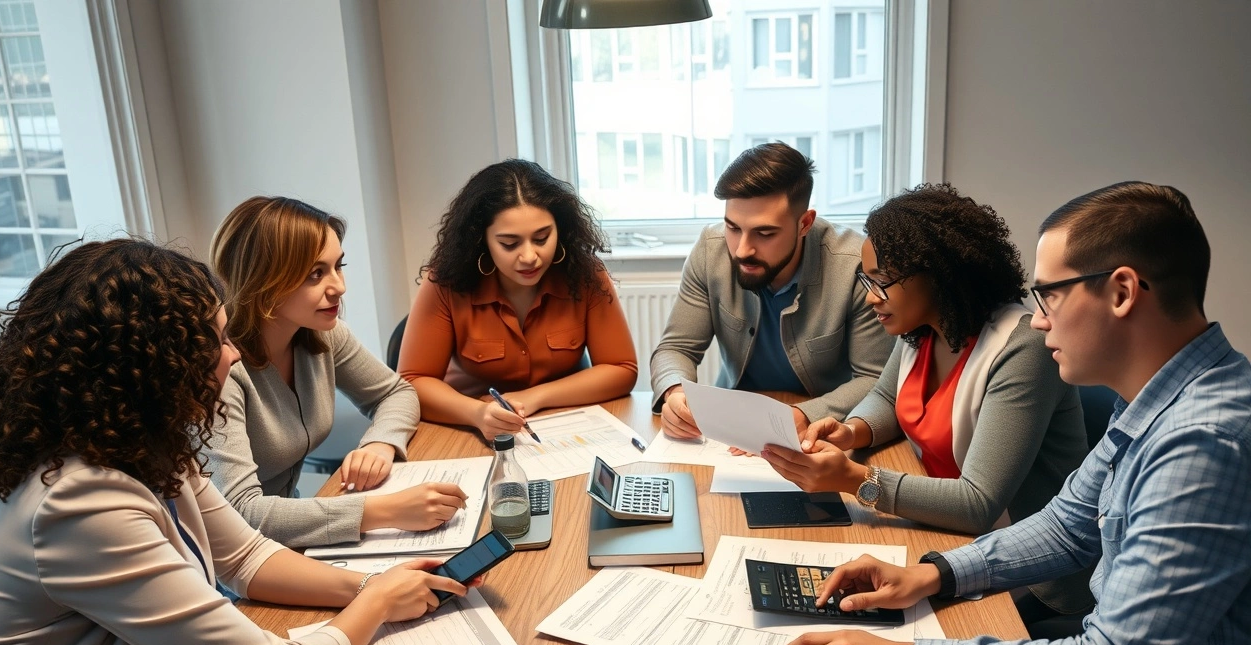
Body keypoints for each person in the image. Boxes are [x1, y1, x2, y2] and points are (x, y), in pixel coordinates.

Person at [775, 182, 1251, 645]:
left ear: (1121, 293)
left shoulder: (1203, 444)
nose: (1040, 319)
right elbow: (1066, 526)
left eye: (1050, 295)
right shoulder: (1152, 402)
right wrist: (934, 574)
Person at [0, 239, 476, 645]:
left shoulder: (142, 443)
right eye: (217, 341)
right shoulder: (77, 503)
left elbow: (246, 557)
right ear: (156, 365)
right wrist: (378, 602)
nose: (233, 355)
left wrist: (377, 584)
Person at [761, 184, 1093, 623]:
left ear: (936, 275)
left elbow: (979, 503)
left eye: (881, 281)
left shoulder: (1023, 348)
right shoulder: (923, 328)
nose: (870, 296)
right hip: (950, 536)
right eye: (866, 280)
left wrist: (856, 479)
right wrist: (851, 432)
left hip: (1032, 577)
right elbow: (887, 396)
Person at [207, 197, 467, 549]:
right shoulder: (220, 368)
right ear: (263, 282)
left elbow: (396, 393)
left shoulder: (322, 334)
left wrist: (381, 442)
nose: (339, 287)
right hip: (224, 561)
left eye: (337, 266)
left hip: (288, 539)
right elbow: (242, 513)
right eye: (316, 274)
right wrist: (385, 511)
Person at [650, 142, 892, 439]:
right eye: (732, 228)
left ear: (805, 224)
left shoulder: (855, 266)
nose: (742, 250)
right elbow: (676, 348)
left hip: (823, 431)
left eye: (764, 233)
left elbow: (874, 378)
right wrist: (675, 391)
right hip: (732, 426)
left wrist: (806, 414)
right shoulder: (709, 252)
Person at [399, 159, 637, 440]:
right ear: (482, 240)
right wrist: (477, 413)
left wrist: (534, 396)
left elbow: (621, 369)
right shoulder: (445, 282)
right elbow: (412, 382)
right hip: (467, 429)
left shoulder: (585, 274)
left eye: (542, 238)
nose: (529, 257)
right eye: (509, 244)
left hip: (563, 426)